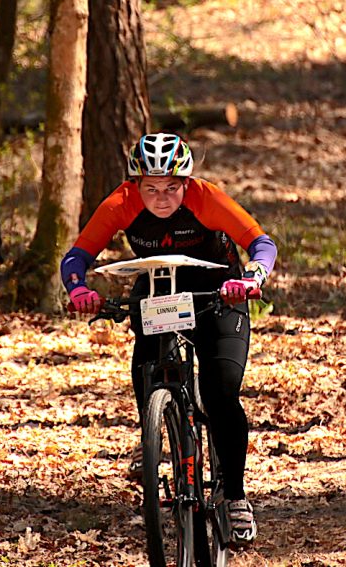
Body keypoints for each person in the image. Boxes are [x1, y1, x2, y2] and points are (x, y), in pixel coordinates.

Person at [60, 133, 277, 546]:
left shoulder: (207, 198)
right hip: (160, 290)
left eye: (171, 188)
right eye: (151, 189)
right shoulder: (120, 203)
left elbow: (261, 243)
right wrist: (80, 292)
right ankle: (153, 435)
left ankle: (234, 497)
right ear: (135, 185)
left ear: (187, 183)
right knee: (146, 355)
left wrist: (251, 278)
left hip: (218, 294)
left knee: (220, 392)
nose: (161, 198)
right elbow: (77, 257)